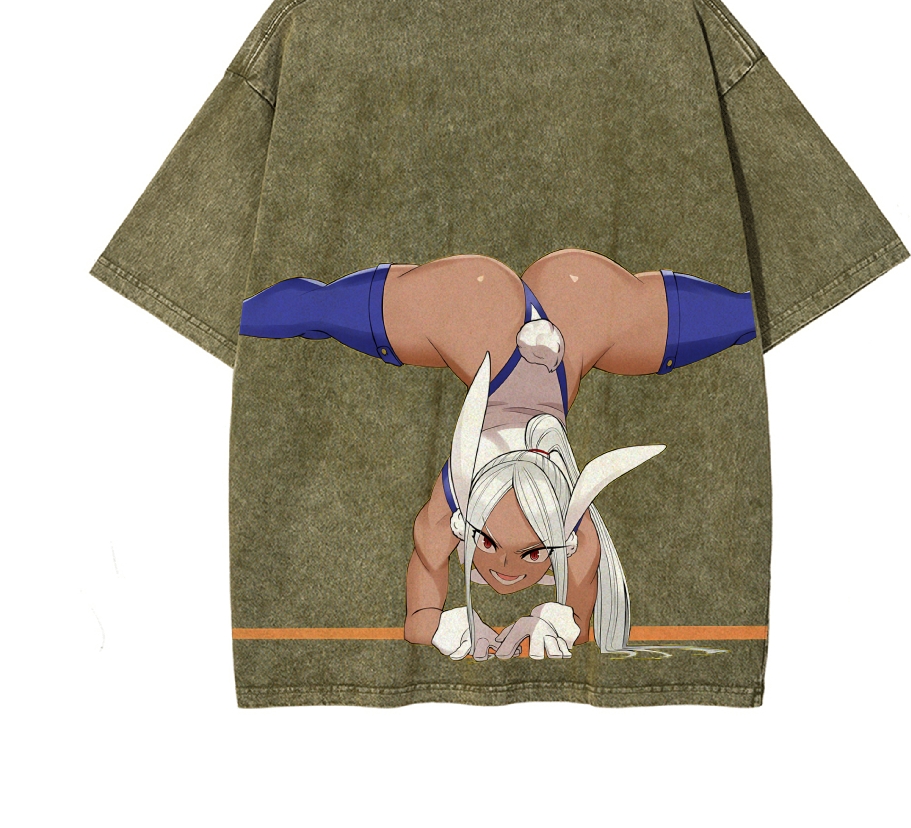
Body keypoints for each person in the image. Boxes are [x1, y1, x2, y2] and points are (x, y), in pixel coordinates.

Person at [240, 249, 756, 659]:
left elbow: (424, 596)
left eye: (514, 549)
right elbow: (577, 610)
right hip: (496, 308)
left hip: (543, 307)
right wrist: (551, 625)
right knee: (309, 311)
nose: (506, 567)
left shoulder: (464, 502)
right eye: (518, 549)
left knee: (744, 317)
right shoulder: (567, 532)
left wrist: (436, 625)